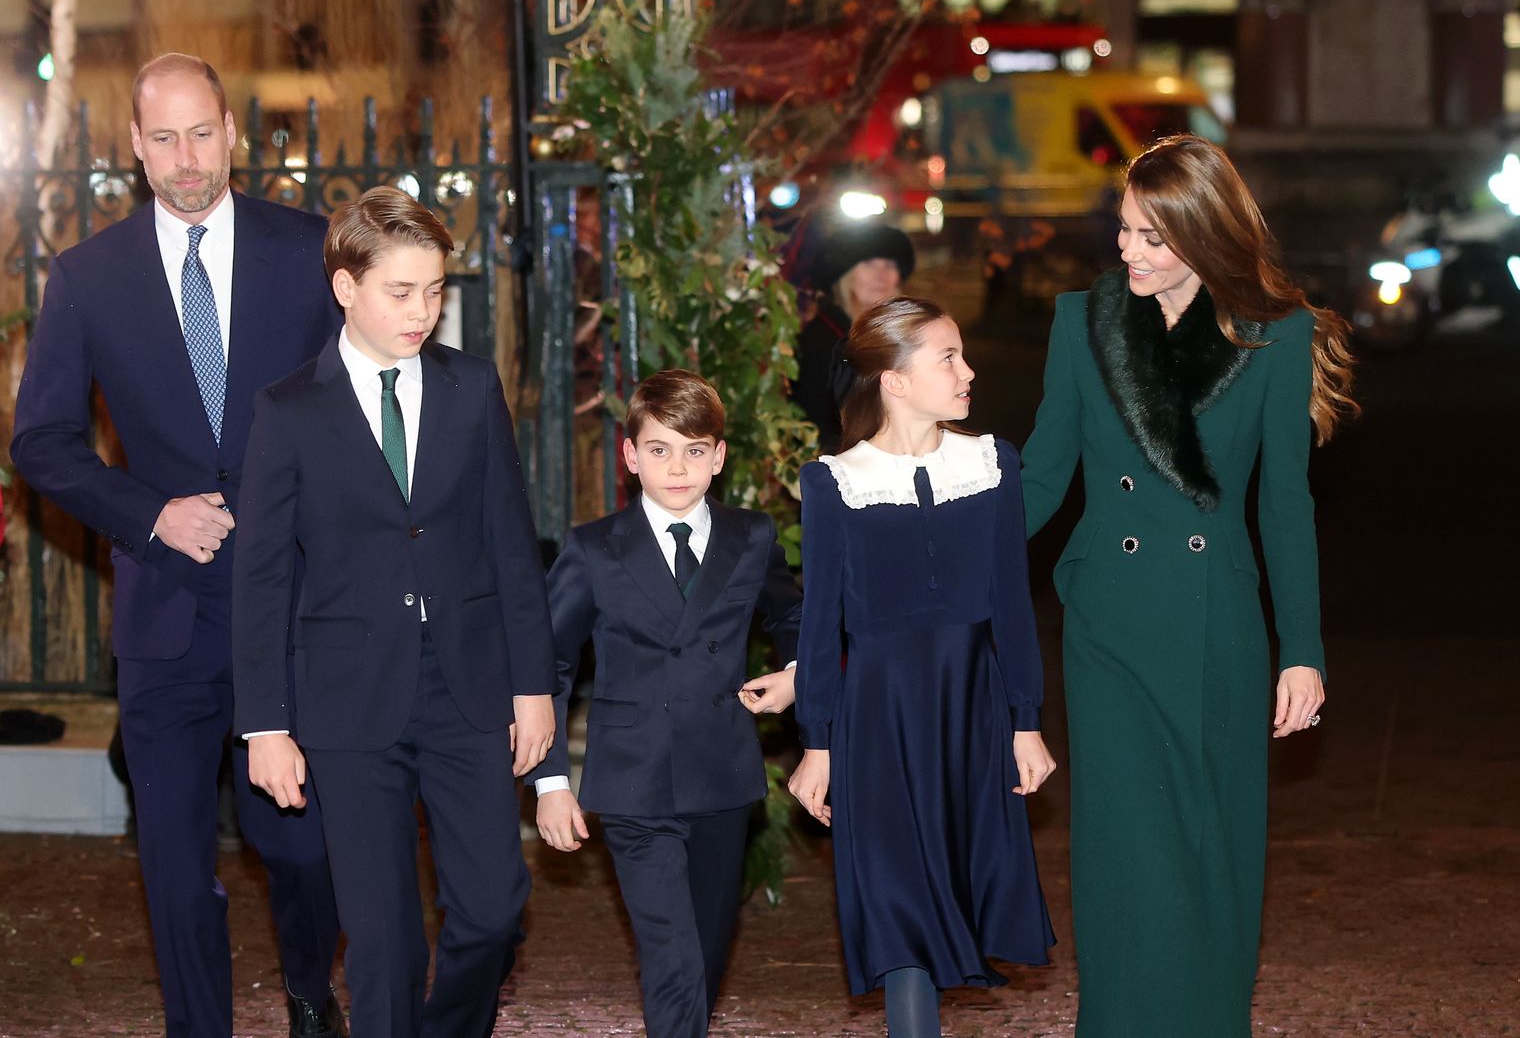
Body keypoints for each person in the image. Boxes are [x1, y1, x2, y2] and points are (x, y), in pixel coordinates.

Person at [10, 54, 344, 1038]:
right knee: (173, 861)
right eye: (165, 138)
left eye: (202, 134)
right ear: (135, 146)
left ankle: (310, 994)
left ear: (233, 133)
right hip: (165, 614)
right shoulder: (88, 277)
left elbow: (360, 411)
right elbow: (41, 440)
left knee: (301, 849)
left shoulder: (311, 251)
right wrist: (148, 513)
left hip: (292, 611)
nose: (186, 158)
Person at [1018, 134, 1355, 1036]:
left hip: (1217, 631)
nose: (1128, 250)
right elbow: (1045, 476)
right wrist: (930, 545)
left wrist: (1305, 652)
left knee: (1212, 848)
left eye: (1151, 238)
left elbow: (1285, 505)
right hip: (1110, 627)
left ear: (1202, 240)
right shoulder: (1081, 323)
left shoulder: (1275, 338)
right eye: (1124, 230)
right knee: (1125, 853)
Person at [231, 184, 556, 1038]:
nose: (424, 312)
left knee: (493, 909)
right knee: (381, 941)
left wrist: (534, 683)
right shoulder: (288, 409)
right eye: (401, 292)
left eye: (436, 291)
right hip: (347, 699)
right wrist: (265, 724)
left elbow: (511, 545)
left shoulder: (470, 387)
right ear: (346, 287)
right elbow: (261, 575)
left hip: (468, 687)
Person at [787, 298, 1057, 1038]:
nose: (968, 372)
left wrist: (1024, 721)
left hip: (971, 707)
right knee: (898, 900)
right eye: (948, 358)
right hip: (875, 715)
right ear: (895, 382)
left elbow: (1011, 605)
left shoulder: (991, 463)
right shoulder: (834, 481)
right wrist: (817, 741)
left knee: (960, 885)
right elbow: (821, 625)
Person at [529, 369, 803, 1038]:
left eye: (693, 450)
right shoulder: (592, 550)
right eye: (658, 450)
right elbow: (549, 666)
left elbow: (794, 615)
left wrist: (797, 672)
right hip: (632, 783)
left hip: (722, 773)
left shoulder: (751, 536)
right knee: (670, 953)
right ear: (630, 457)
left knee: (705, 955)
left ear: (718, 456)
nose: (676, 468)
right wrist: (550, 782)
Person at [791, 221, 914, 451]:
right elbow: (814, 421)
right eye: (868, 263)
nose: (881, 275)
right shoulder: (821, 340)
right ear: (845, 276)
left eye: (889, 264)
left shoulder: (906, 335)